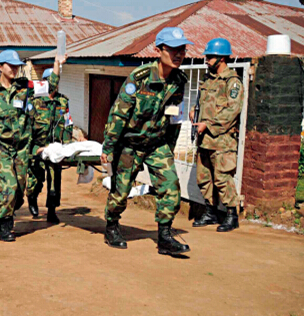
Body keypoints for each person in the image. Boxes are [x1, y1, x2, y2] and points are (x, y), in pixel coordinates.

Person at [101, 27, 191, 257]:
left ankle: (165, 237)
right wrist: (108, 148)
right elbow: (119, 115)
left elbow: (175, 118)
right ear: (159, 50)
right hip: (130, 144)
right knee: (121, 192)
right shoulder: (139, 78)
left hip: (157, 144)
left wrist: (169, 149)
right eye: (173, 49)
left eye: (182, 49)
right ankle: (111, 226)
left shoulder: (179, 81)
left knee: (170, 187)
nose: (178, 54)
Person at [0, 50, 49, 242]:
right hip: (1, 147)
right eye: (11, 65)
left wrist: (57, 64)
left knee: (20, 189)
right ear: (0, 67)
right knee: (9, 186)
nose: (15, 69)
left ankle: (10, 211)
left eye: (17, 66)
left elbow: (49, 86)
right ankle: (5, 224)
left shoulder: (25, 87)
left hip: (22, 147)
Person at [190, 38, 244, 232]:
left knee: (222, 178)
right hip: (205, 139)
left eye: (210, 57)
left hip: (222, 141)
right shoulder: (208, 79)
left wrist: (209, 124)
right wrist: (194, 112)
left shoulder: (232, 82)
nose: (207, 60)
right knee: (204, 178)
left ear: (221, 58)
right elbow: (203, 104)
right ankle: (210, 212)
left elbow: (232, 110)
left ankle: (231, 215)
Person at [26, 63, 70, 224]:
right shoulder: (35, 102)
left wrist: (68, 145)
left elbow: (67, 123)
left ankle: (52, 211)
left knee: (54, 180)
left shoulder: (63, 101)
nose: (54, 85)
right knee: (36, 179)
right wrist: (31, 149)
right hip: (37, 147)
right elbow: (27, 127)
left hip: (55, 147)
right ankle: (32, 197)